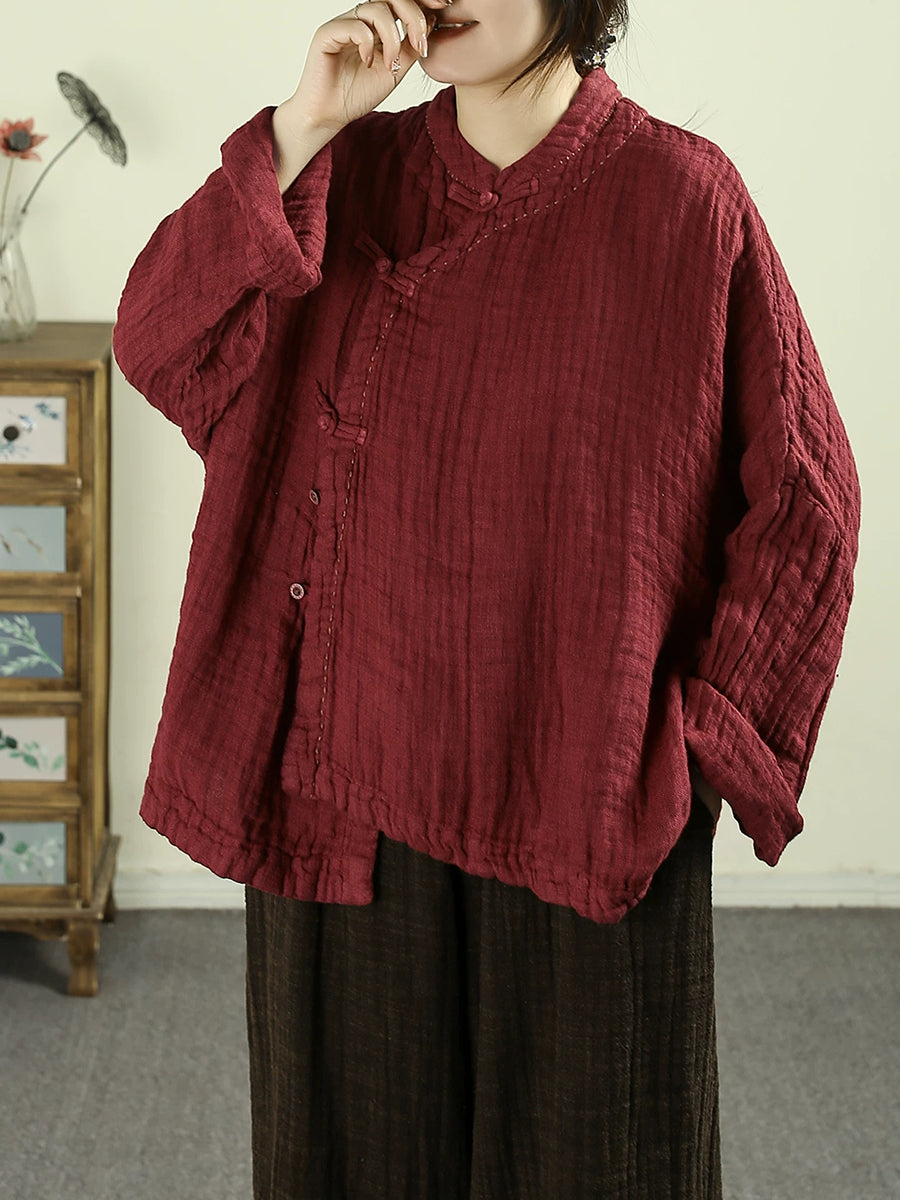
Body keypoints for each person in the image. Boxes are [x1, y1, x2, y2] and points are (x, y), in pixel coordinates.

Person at [112, 0, 861, 1196]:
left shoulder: (681, 200)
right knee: (351, 1164)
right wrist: (303, 125)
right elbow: (160, 341)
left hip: (578, 787)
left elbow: (808, 496)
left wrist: (703, 739)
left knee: (600, 1162)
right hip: (344, 788)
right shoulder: (342, 173)